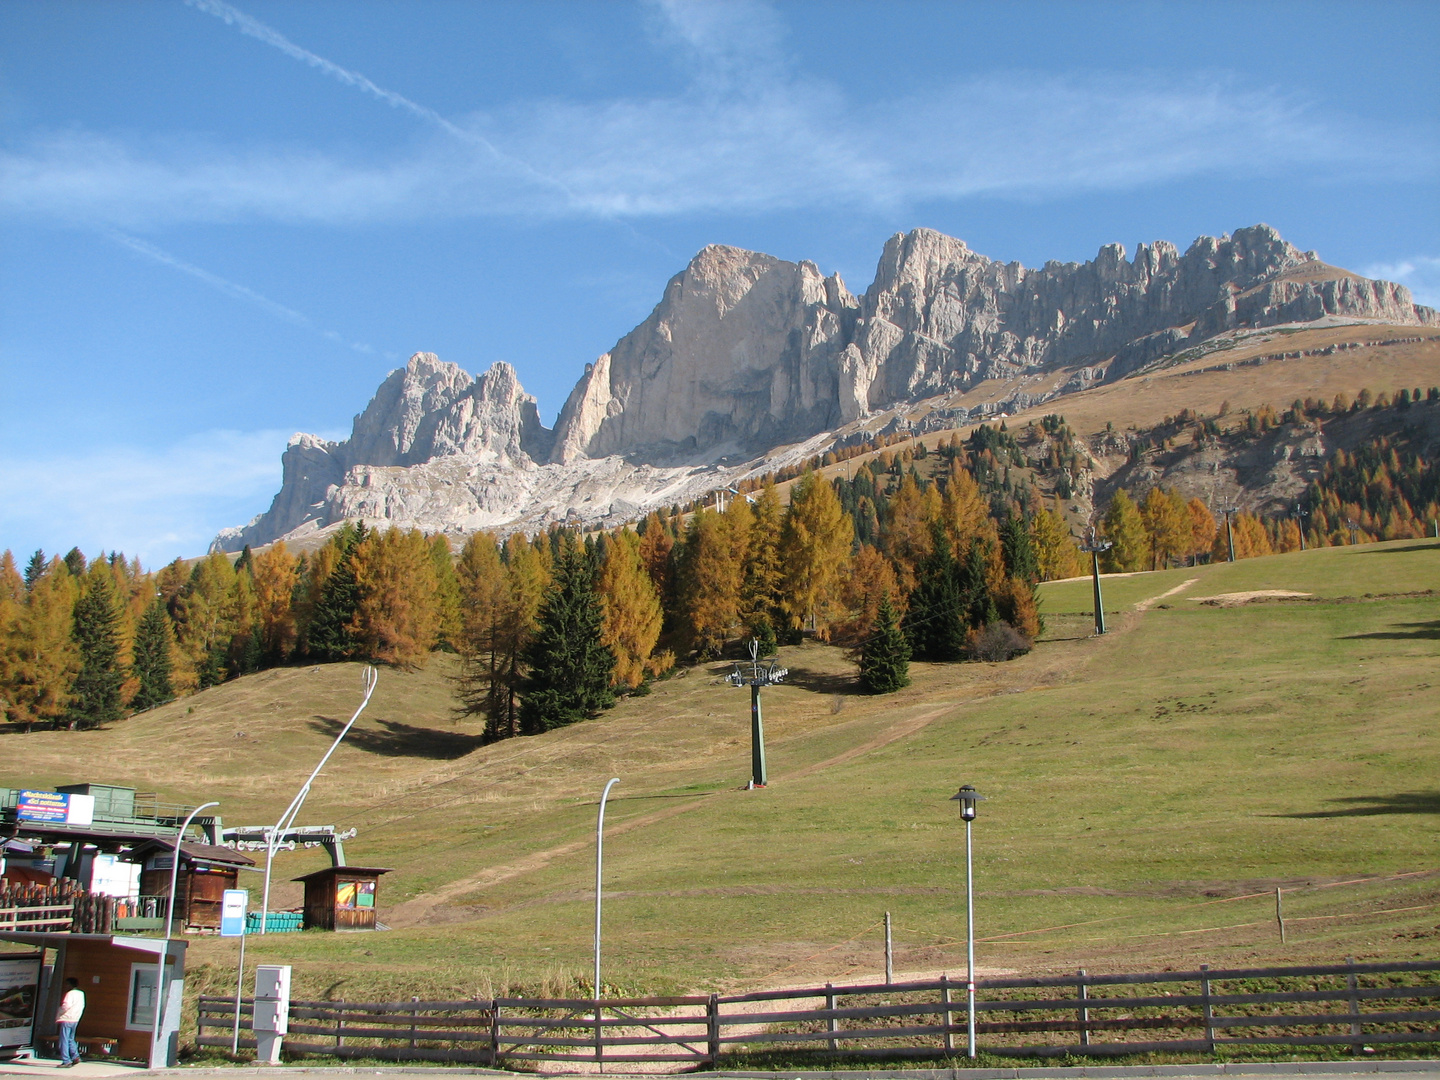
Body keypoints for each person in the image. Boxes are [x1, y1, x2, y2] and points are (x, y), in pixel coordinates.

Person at [56, 977, 85, 1068]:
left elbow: (66, 1006)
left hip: (67, 1018)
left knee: (63, 1039)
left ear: (70, 985)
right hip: (75, 1018)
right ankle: (75, 1056)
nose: (65, 986)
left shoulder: (69, 994)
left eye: (67, 984)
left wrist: (59, 1011)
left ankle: (66, 1060)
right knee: (70, 1038)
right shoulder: (81, 994)